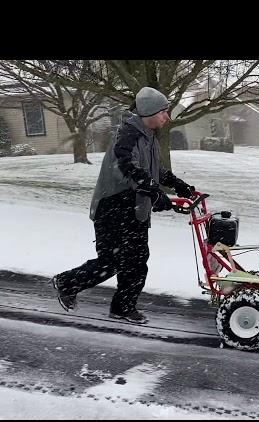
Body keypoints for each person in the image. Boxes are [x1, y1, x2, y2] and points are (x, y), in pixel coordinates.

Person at [51, 86, 195, 325]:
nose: (167, 117)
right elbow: (128, 168)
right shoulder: (127, 135)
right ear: (150, 112)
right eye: (164, 112)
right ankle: (67, 283)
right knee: (112, 261)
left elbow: (154, 170)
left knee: (137, 260)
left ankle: (122, 307)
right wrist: (155, 193)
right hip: (113, 207)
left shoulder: (149, 137)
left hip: (133, 209)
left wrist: (179, 185)